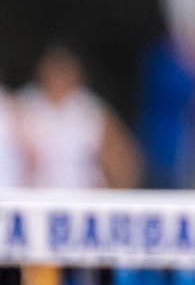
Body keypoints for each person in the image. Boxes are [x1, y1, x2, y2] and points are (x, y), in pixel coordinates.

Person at [16, 46, 140, 190]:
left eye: (64, 71)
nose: (58, 77)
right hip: (35, 201)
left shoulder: (90, 110)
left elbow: (122, 159)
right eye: (54, 71)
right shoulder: (24, 106)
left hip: (81, 200)